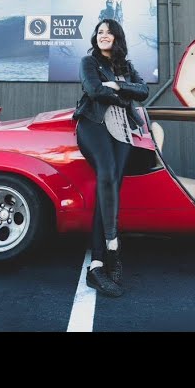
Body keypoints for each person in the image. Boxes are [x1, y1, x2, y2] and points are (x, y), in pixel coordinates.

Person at [73, 19, 149, 297]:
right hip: (93, 123)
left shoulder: (126, 66)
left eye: (109, 32)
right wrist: (122, 93)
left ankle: (96, 264)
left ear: (117, 37)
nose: (103, 35)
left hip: (123, 128)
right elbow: (94, 90)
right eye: (100, 32)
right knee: (106, 175)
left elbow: (143, 90)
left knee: (111, 188)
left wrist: (115, 85)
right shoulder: (88, 61)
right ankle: (113, 248)